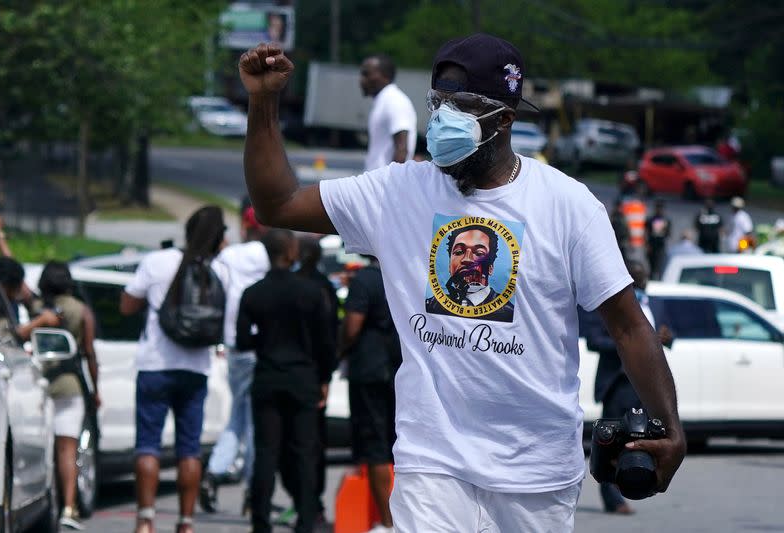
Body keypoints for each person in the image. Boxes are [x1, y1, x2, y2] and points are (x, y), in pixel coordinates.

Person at [238, 33, 685, 531]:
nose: (444, 117)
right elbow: (276, 204)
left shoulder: (568, 205)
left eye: (463, 106)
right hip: (433, 461)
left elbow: (627, 326)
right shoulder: (397, 191)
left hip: (534, 471)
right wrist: (263, 103)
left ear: (504, 120)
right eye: (438, 102)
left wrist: (670, 423)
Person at [120, 206, 229, 533]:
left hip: (155, 364)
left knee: (148, 445)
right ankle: (186, 523)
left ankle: (145, 520)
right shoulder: (218, 271)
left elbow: (127, 305)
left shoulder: (158, 261)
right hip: (196, 368)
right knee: (189, 450)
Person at [235, 229, 334, 533]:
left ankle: (260, 520)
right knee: (304, 450)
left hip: (267, 376)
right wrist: (324, 377)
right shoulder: (310, 293)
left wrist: (264, 342)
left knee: (267, 451)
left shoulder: (253, 293)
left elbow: (241, 340)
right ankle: (306, 519)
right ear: (291, 252)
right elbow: (325, 341)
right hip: (302, 376)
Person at [580, 260, 674, 515]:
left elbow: (667, 336)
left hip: (647, 385)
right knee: (613, 441)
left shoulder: (656, 304)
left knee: (641, 441)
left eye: (644, 275)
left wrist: (665, 338)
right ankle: (612, 499)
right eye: (637, 275)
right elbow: (594, 341)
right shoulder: (609, 304)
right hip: (618, 383)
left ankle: (636, 484)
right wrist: (630, 343)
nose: (642, 279)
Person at [199, 204, 270, 514]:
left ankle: (214, 471)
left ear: (244, 226)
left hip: (233, 344)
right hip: (261, 343)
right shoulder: (269, 255)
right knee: (255, 422)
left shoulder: (228, 258)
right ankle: (253, 488)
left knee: (237, 416)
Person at [36, 261, 101, 530]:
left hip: (37, 382)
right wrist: (96, 389)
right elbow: (89, 352)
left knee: (42, 445)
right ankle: (69, 506)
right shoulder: (81, 310)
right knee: (67, 448)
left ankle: (44, 501)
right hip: (69, 384)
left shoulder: (37, 309)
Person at [340, 255, 400, 533]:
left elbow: (352, 325)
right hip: (400, 367)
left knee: (376, 448)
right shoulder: (404, 272)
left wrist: (339, 350)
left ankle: (387, 523)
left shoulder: (365, 279)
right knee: (402, 446)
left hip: (369, 368)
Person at [294, 236, 339, 524]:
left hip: (291, 370)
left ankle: (303, 502)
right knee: (313, 443)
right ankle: (313, 504)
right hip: (312, 373)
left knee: (291, 444)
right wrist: (327, 373)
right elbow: (330, 332)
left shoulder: (292, 283)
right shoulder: (324, 288)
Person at [424, 224, 515, 322]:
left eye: (479, 253)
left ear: (490, 268)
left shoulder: (507, 313)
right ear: (449, 266)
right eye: (459, 252)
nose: (467, 259)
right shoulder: (433, 305)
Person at [359, 54, 417, 171]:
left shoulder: (395, 100)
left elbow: (402, 149)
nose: (361, 80)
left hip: (384, 186)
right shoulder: (384, 100)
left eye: (366, 74)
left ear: (385, 76)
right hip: (377, 183)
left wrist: (391, 185)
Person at [646, 198, 672, 280]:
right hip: (652, 246)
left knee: (660, 266)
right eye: (658, 208)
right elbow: (646, 232)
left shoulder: (666, 220)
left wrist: (663, 230)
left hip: (661, 246)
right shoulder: (650, 220)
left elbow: (668, 233)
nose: (659, 210)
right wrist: (647, 245)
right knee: (652, 267)